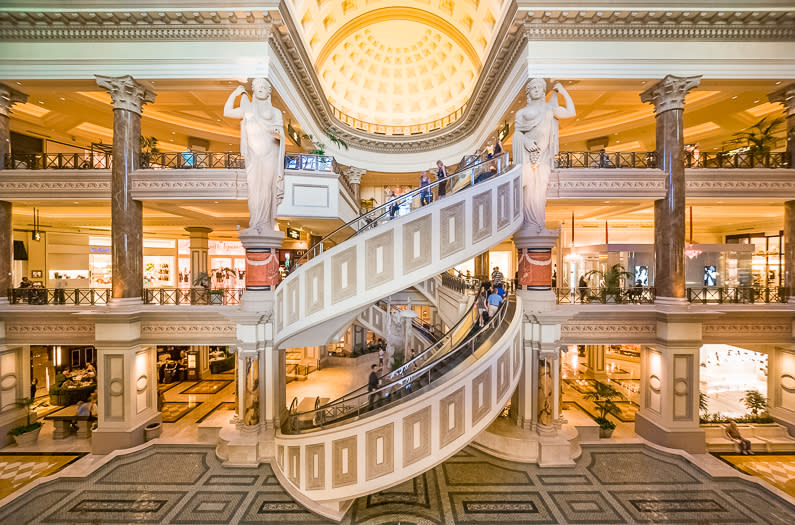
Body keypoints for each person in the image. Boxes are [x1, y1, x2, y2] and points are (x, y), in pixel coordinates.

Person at [223, 78, 285, 233]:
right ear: (253, 90)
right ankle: (255, 222)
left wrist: (278, 133)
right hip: (253, 157)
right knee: (253, 191)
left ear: (269, 91)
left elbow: (281, 133)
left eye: (264, 86)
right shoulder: (247, 108)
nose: (261, 89)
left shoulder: (275, 112)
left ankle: (265, 224)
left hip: (270, 154)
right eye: (257, 86)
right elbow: (227, 111)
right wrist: (235, 94)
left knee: (266, 189)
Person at [513, 78, 575, 229]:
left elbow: (571, 112)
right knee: (528, 192)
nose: (536, 89)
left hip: (543, 157)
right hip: (528, 156)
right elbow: (516, 134)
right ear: (528, 92)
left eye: (539, 87)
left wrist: (563, 91)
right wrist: (525, 141)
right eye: (533, 87)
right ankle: (530, 223)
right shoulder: (522, 113)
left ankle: (538, 223)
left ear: (543, 91)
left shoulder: (549, 109)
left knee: (540, 191)